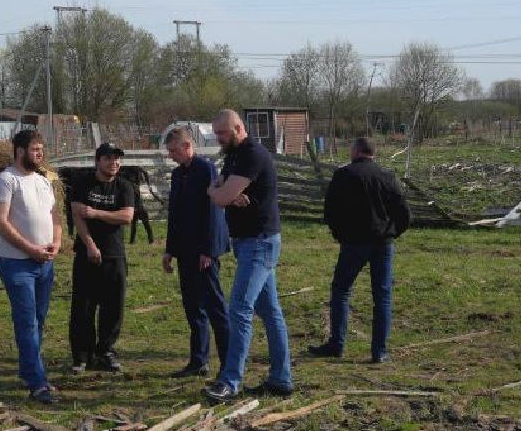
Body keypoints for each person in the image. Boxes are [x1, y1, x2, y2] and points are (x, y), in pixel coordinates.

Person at [204, 109, 294, 400]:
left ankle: (230, 381)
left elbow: (220, 196)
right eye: (216, 133)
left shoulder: (252, 154)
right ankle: (281, 378)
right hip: (249, 242)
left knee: (240, 308)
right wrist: (223, 190)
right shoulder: (233, 155)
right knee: (270, 311)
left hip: (260, 242)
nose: (218, 138)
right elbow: (222, 189)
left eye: (222, 133)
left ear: (238, 127)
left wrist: (220, 191)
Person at [311, 136, 411, 363]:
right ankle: (379, 352)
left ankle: (337, 343)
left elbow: (330, 212)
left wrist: (340, 234)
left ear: (356, 151)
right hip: (383, 242)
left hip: (354, 242)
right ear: (373, 153)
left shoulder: (344, 175)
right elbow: (404, 213)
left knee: (341, 290)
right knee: (382, 296)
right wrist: (392, 232)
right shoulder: (387, 177)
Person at [0, 127, 63, 404]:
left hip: (44, 263)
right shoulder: (5, 181)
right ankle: (37, 382)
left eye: (42, 149)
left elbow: (54, 216)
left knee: (38, 320)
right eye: (35, 149)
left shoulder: (43, 182)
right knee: (27, 321)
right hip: (17, 263)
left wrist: (56, 241)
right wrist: (30, 248)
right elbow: (0, 222)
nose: (40, 153)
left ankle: (29, 370)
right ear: (20, 151)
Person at [161, 125, 230, 379]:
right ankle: (198, 360)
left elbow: (213, 212)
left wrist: (208, 251)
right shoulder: (179, 175)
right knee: (192, 306)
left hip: (204, 252)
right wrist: (170, 250)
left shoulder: (205, 169)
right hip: (186, 250)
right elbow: (175, 214)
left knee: (214, 306)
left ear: (187, 147)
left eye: (173, 151)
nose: (171, 156)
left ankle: (228, 363)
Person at [69, 142, 136, 374]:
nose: (114, 163)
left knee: (113, 306)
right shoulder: (83, 184)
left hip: (114, 254)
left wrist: (96, 212)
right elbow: (78, 214)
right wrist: (90, 245)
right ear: (98, 161)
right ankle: (82, 356)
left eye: (117, 159)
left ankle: (105, 351)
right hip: (87, 254)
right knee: (83, 306)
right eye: (108, 158)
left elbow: (127, 216)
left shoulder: (125, 186)